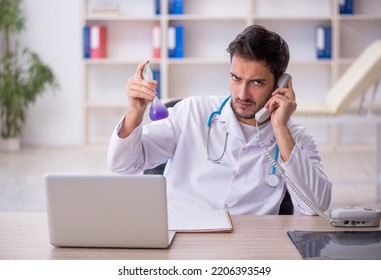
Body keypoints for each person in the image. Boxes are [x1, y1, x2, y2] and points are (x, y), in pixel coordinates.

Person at [107, 25, 332, 215]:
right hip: (181, 242)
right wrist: (135, 112)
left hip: (250, 250)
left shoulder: (297, 139)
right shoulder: (192, 113)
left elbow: (315, 207)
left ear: (280, 85)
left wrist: (280, 129)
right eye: (236, 78)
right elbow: (123, 164)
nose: (242, 94)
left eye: (256, 83)